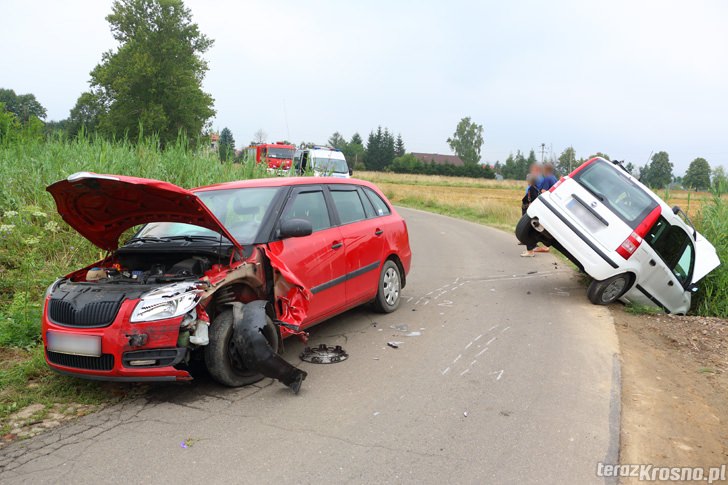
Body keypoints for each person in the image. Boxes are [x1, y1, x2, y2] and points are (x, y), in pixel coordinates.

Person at [520, 174, 540, 257]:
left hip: (529, 213)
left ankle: (530, 251)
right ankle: (530, 250)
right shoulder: (536, 188)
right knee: (530, 231)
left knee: (527, 231)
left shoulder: (531, 189)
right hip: (533, 212)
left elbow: (531, 201)